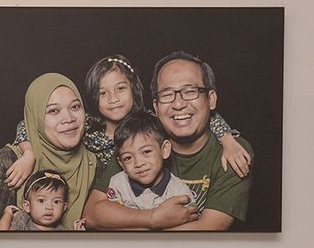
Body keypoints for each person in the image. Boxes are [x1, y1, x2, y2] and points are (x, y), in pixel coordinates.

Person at [4, 54, 251, 188]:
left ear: (134, 89)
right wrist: (28, 154)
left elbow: (204, 116)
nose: (113, 99)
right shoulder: (87, 127)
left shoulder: (152, 122)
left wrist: (227, 139)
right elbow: (31, 123)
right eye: (103, 93)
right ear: (94, 98)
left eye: (120, 89)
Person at [83, 51, 254, 230]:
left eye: (190, 91)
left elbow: (210, 228)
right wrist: (152, 218)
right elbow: (92, 214)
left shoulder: (233, 152)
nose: (178, 104)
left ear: (211, 99)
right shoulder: (140, 140)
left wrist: (124, 223)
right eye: (167, 94)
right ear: (156, 106)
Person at [0, 72, 98, 231]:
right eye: (53, 111)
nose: (69, 118)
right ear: (35, 117)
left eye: (76, 107)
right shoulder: (8, 161)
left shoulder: (93, 164)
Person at [103, 111, 196, 210]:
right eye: (128, 158)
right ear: (121, 164)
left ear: (164, 150)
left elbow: (192, 223)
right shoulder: (118, 184)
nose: (138, 163)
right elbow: (110, 218)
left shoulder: (180, 192)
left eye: (146, 152)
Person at [0, 170, 70, 231]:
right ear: (27, 206)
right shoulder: (23, 220)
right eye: (41, 201)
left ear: (64, 207)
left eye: (56, 202)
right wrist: (8, 214)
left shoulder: (63, 231)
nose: (49, 207)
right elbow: (1, 235)